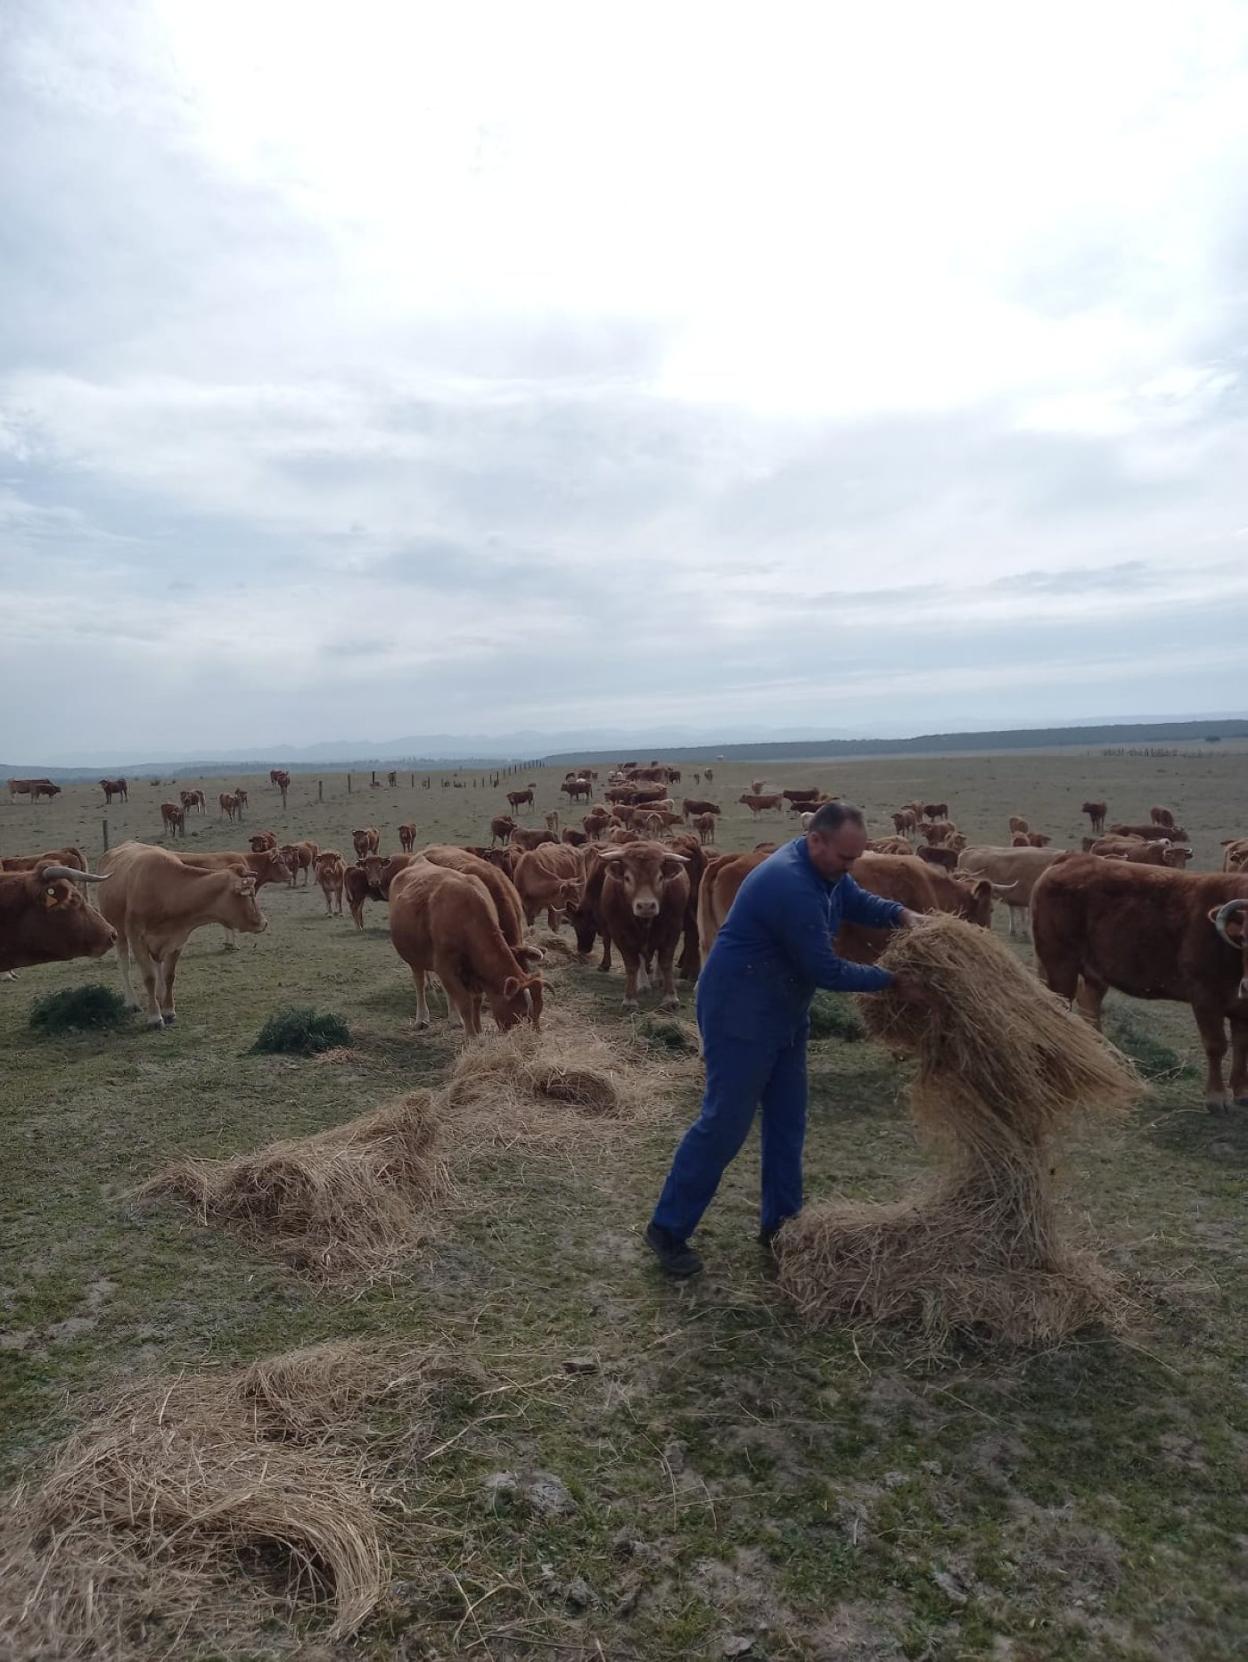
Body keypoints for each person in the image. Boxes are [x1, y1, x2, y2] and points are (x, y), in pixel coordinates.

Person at [646, 800, 926, 1276]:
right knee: (725, 1123)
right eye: (844, 857)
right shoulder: (790, 885)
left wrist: (900, 913)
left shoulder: (825, 872)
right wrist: (891, 981)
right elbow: (825, 968)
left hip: (784, 1010)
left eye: (856, 857)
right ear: (816, 840)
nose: (850, 866)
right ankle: (667, 1230)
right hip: (740, 1011)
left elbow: (853, 899)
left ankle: (780, 1223)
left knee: (788, 1119)